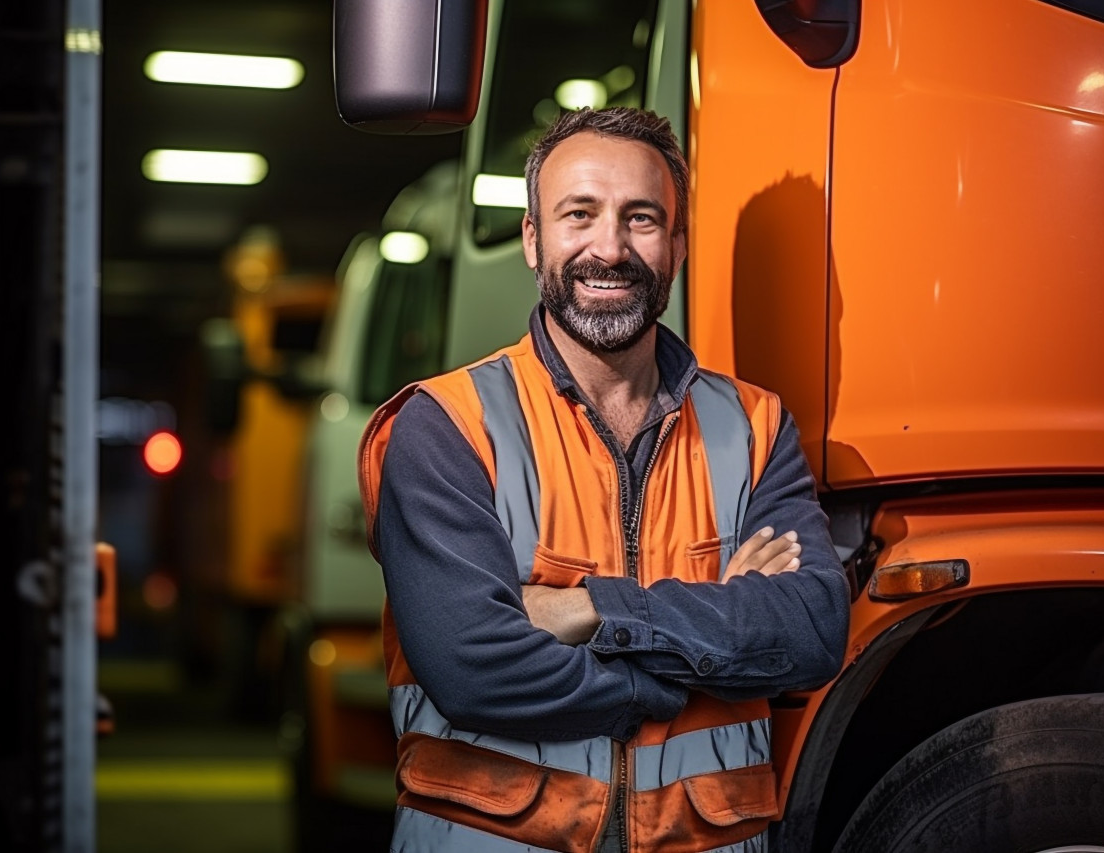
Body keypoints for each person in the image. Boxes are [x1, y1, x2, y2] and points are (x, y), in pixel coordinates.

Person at [359, 107, 850, 853]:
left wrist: (586, 608)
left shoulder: (754, 426)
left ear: (678, 246)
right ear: (533, 238)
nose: (610, 248)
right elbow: (471, 667)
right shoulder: (446, 426)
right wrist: (689, 662)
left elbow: (810, 632)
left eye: (642, 218)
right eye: (578, 214)